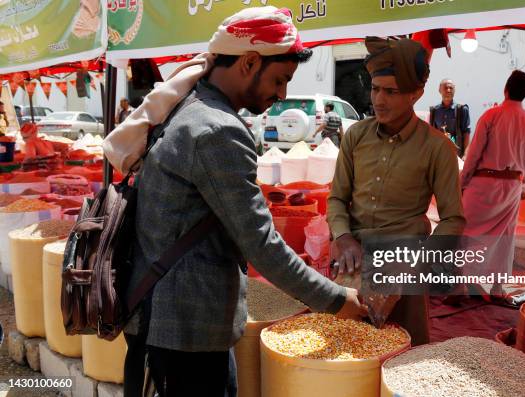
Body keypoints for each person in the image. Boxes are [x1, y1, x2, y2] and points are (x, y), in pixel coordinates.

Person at [120, 7, 366, 397]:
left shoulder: (190, 107)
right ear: (249, 62)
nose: (283, 94)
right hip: (180, 332)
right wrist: (338, 300)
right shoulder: (217, 130)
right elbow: (261, 244)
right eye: (280, 79)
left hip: (172, 323)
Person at [327, 37, 465, 346]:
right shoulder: (355, 136)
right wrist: (343, 236)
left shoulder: (437, 147)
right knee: (346, 351)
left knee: (402, 357)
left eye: (391, 92)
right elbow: (337, 197)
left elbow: (453, 219)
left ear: (416, 93)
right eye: (375, 89)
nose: (379, 100)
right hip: (355, 260)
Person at [461, 70, 525, 296]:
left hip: (482, 185)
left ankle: (463, 285)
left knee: (467, 233)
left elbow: (473, 154)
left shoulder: (491, 115)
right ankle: (496, 288)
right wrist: (524, 188)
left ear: (505, 89)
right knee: (504, 239)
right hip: (512, 189)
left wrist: (461, 182)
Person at [429, 79, 471, 157]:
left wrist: (465, 154)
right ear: (439, 90)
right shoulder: (434, 111)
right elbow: (432, 134)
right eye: (445, 88)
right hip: (439, 155)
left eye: (451, 88)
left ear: (454, 90)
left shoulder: (462, 109)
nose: (448, 90)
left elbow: (466, 132)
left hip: (457, 155)